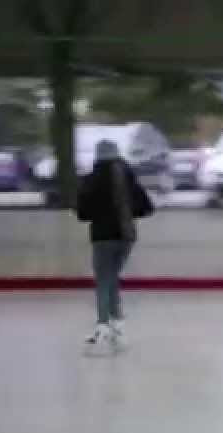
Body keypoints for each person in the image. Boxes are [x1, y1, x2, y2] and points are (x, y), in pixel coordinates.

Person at [75, 139, 153, 355]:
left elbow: (82, 213)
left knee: (103, 280)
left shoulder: (93, 179)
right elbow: (146, 207)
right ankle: (117, 322)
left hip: (103, 237)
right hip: (126, 236)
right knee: (111, 278)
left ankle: (103, 325)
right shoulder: (128, 176)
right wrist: (125, 213)